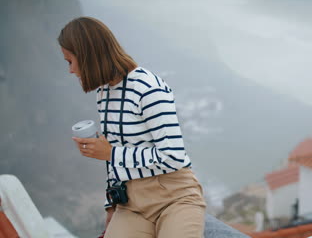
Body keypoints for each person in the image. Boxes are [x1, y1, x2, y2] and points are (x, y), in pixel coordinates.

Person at [58, 16, 206, 238]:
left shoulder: (148, 88)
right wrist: (111, 204)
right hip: (132, 204)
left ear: (88, 56)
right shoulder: (104, 93)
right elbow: (114, 158)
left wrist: (111, 152)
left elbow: (173, 155)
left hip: (174, 197)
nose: (70, 70)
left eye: (70, 61)